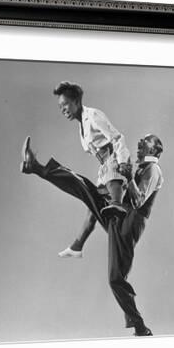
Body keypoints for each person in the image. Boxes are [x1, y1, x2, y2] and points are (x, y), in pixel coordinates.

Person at [20, 134, 164, 336]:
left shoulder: (153, 169)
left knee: (115, 278)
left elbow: (139, 201)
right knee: (85, 189)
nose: (139, 143)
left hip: (129, 222)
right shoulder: (140, 167)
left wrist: (129, 177)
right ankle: (37, 168)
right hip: (117, 214)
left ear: (155, 150)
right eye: (140, 140)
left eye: (145, 141)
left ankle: (140, 327)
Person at [52, 81, 130, 259]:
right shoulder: (81, 125)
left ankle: (117, 207)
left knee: (112, 185)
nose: (63, 110)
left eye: (65, 104)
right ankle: (76, 246)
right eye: (60, 107)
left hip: (114, 159)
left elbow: (117, 138)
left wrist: (123, 161)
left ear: (77, 101)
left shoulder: (93, 115)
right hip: (103, 166)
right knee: (92, 207)